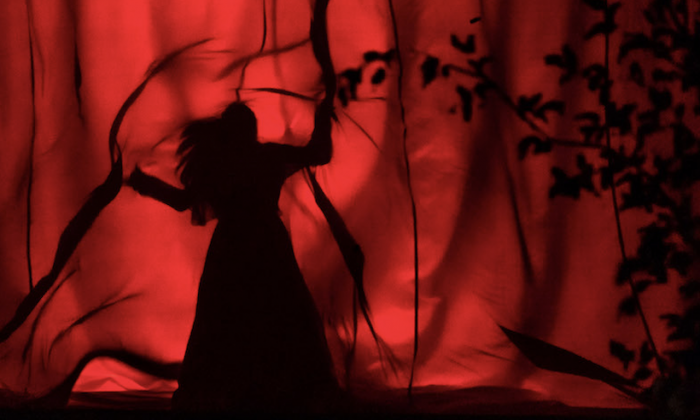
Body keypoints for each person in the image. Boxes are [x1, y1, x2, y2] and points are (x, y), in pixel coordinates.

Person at [126, 100, 342, 413]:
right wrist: (323, 115)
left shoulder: (222, 165)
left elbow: (183, 200)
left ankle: (236, 390)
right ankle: (279, 389)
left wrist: (144, 184)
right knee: (275, 312)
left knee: (228, 316)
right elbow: (318, 153)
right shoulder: (267, 157)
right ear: (250, 130)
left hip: (231, 247)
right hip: (267, 244)